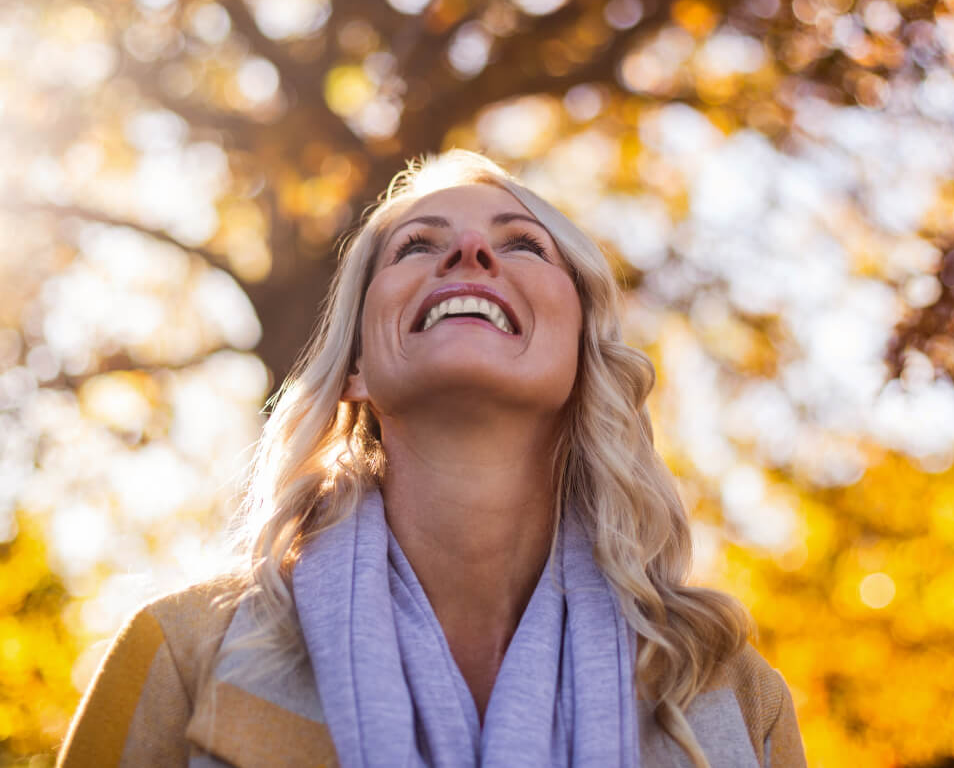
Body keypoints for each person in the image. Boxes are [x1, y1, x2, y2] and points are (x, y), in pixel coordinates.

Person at [56, 149, 804, 768]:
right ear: (354, 366)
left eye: (521, 243)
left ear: (584, 355)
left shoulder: (732, 697)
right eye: (417, 244)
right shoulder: (183, 655)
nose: (469, 252)